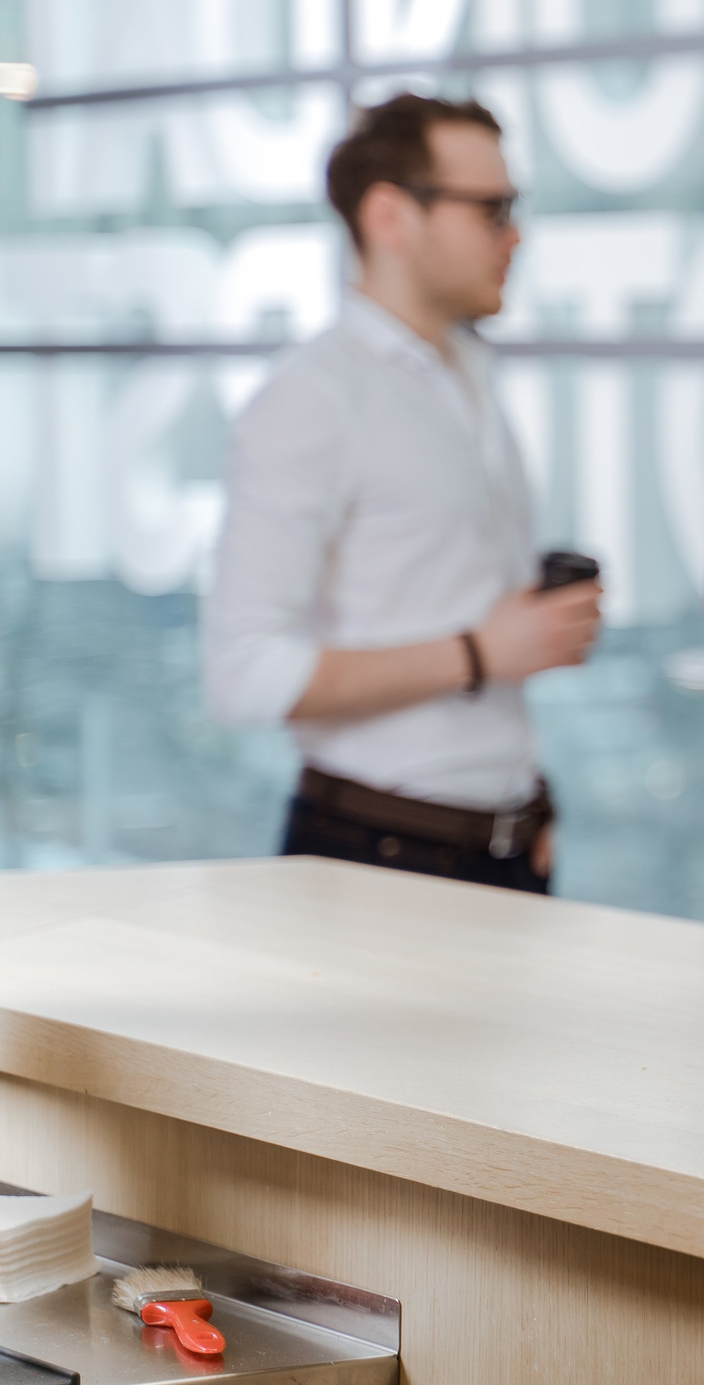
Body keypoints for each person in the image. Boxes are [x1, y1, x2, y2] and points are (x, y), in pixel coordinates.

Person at [204, 93, 599, 892]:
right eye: (492, 210)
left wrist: (529, 799)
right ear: (390, 216)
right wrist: (481, 654)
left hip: (507, 846)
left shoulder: (472, 373)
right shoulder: (312, 398)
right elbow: (243, 672)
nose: (514, 236)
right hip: (376, 852)